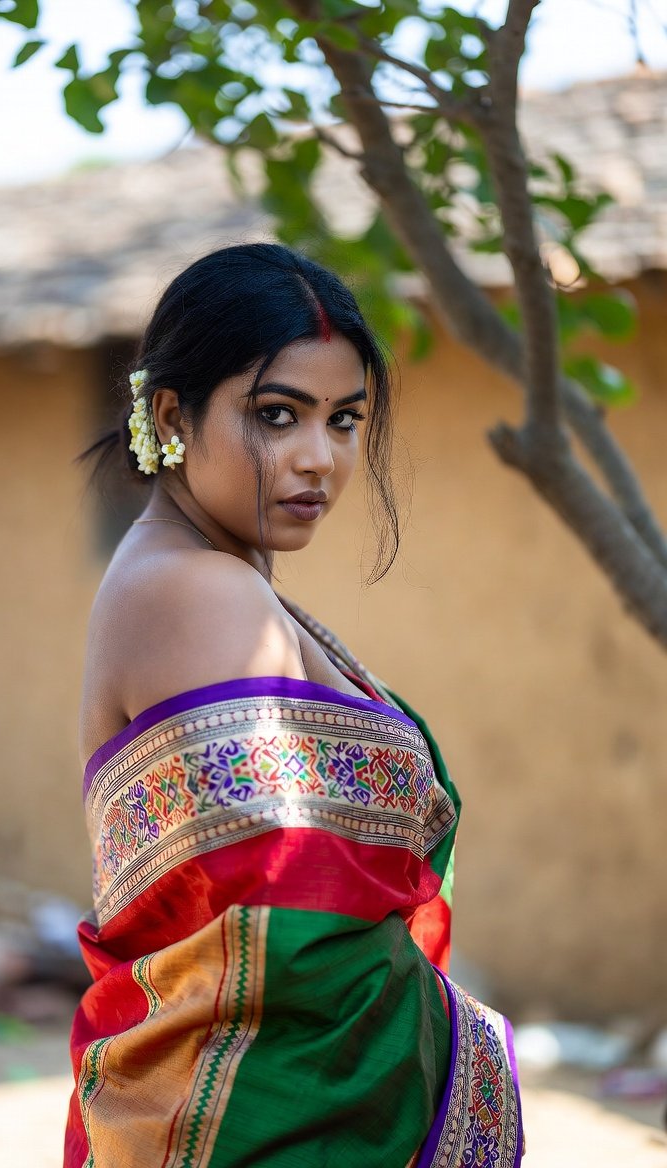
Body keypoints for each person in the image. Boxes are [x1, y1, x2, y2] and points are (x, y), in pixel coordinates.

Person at [64, 243, 523, 1168]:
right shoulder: (198, 591)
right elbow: (285, 928)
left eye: (345, 420)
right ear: (170, 415)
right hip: (262, 1117)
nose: (320, 458)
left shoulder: (209, 580)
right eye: (278, 416)